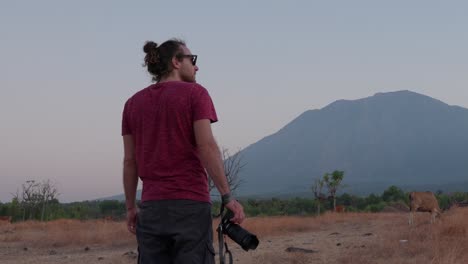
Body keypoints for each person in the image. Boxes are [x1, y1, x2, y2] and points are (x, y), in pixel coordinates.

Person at [121, 38, 245, 264]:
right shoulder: (195, 93)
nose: (197, 66)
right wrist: (227, 196)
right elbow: (206, 146)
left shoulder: (132, 104)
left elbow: (130, 161)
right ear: (176, 62)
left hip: (150, 209)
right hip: (190, 205)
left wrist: (131, 207)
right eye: (192, 59)